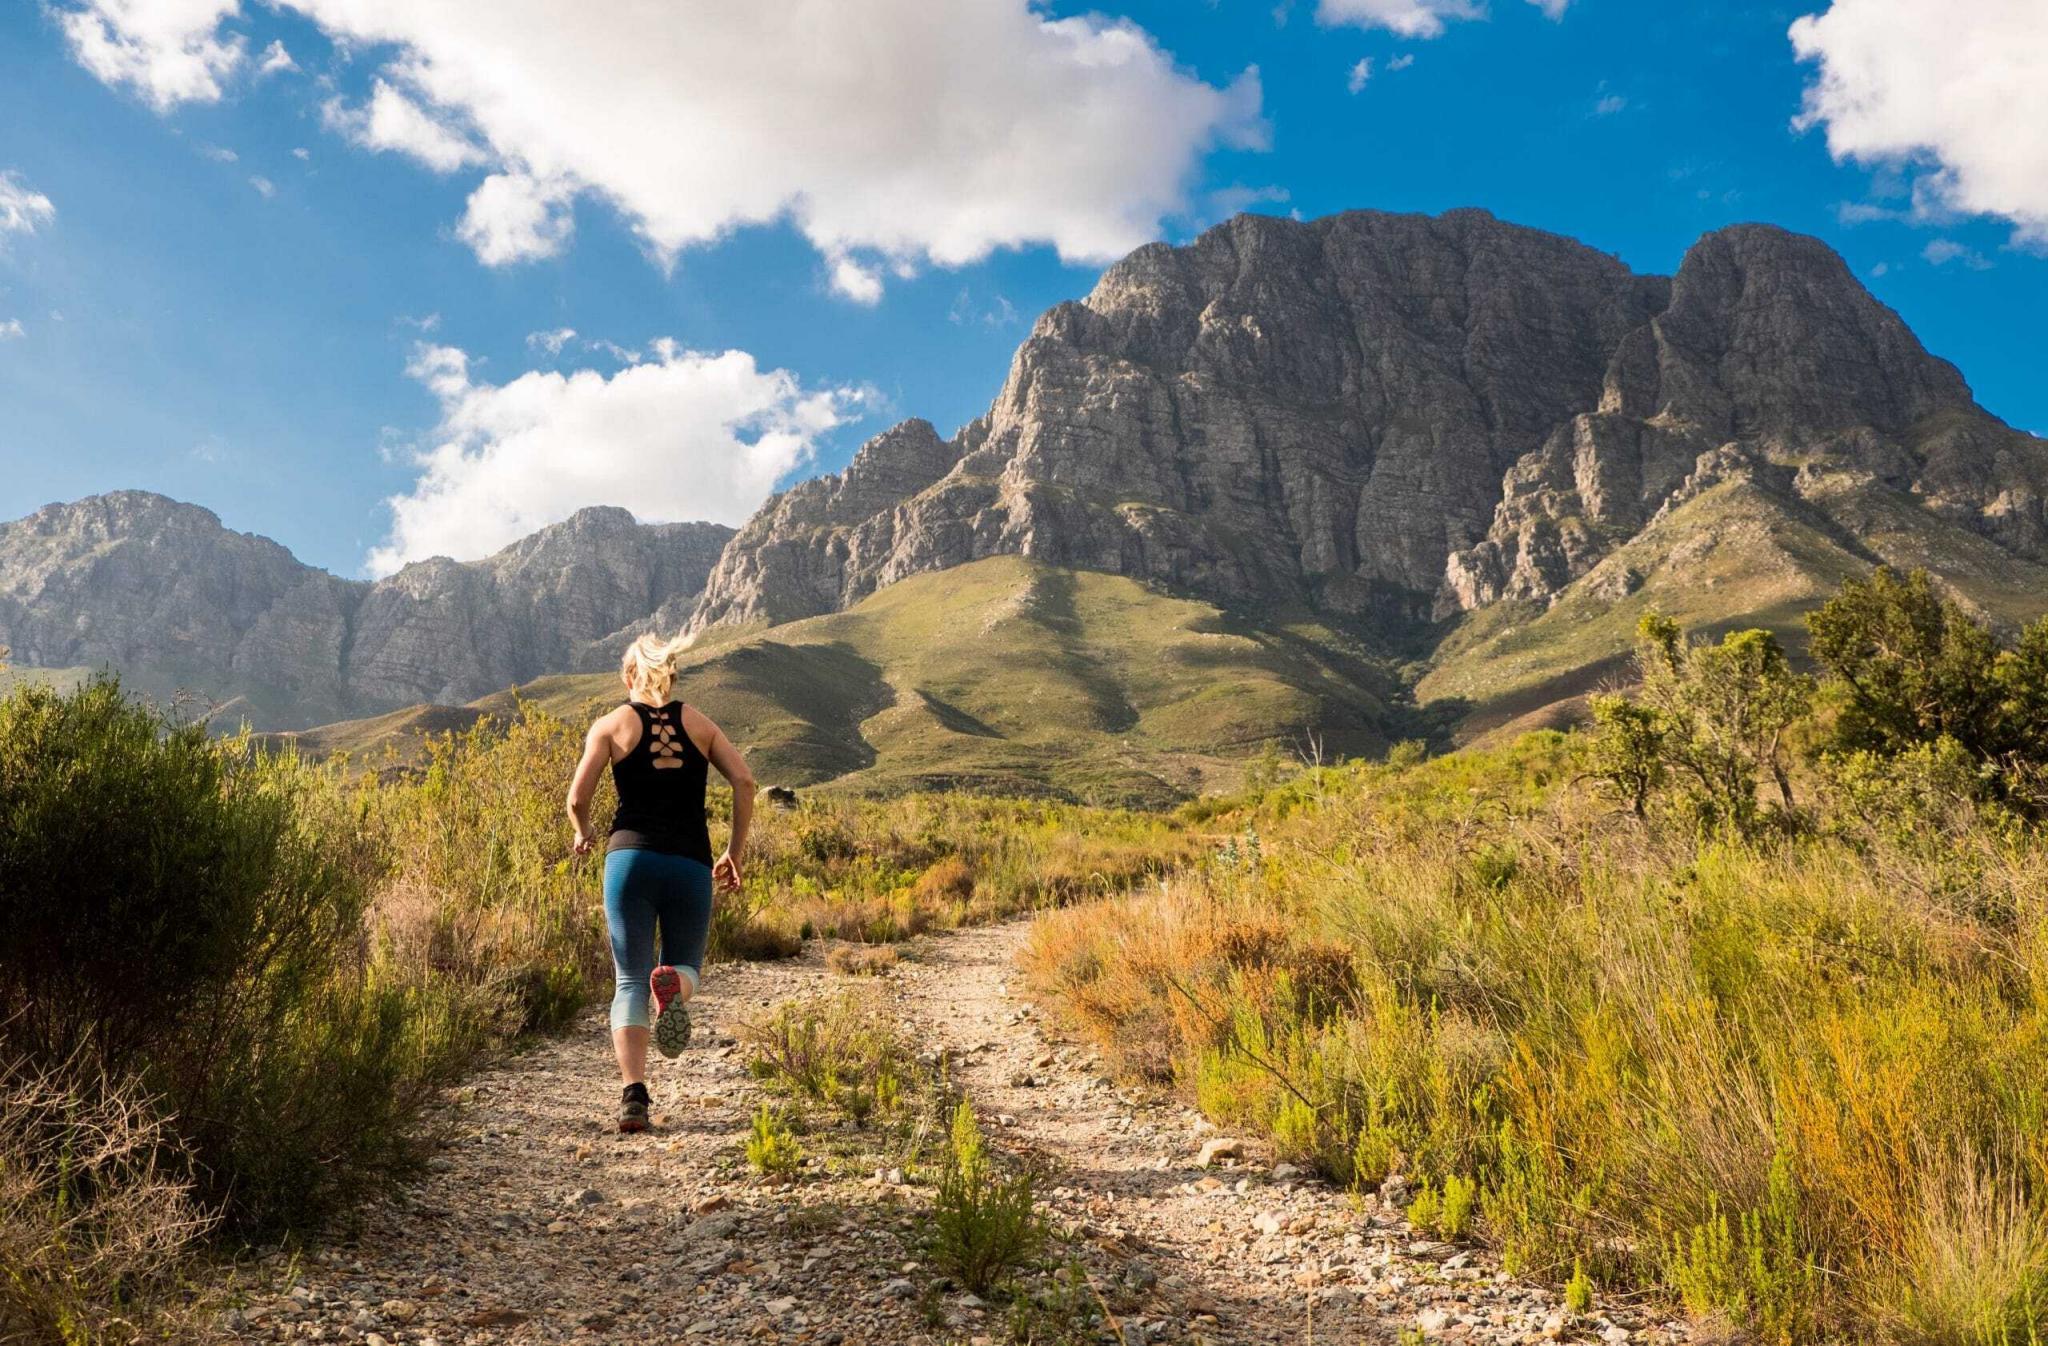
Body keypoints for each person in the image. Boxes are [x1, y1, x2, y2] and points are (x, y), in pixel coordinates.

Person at [566, 632, 755, 1133]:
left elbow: (576, 799)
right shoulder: (699, 723)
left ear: (629, 676)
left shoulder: (610, 725)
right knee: (686, 965)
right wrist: (732, 854)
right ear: (670, 676)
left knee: (629, 978)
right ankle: (674, 990)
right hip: (690, 862)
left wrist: (584, 834)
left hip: (629, 860)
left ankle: (634, 1097)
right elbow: (745, 781)